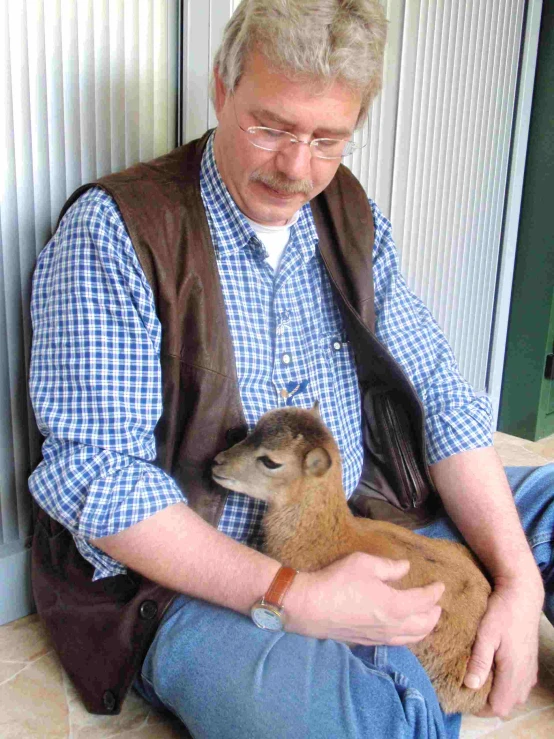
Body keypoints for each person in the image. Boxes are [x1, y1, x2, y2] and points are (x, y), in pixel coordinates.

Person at [28, 1, 552, 737]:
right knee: (350, 721)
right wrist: (294, 596)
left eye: (327, 138)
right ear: (221, 87)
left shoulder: (350, 214)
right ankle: (392, 681)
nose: (296, 168)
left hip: (368, 518)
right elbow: (98, 474)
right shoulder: (118, 234)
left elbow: (438, 392)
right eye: (270, 127)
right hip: (206, 580)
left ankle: (409, 648)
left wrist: (519, 582)